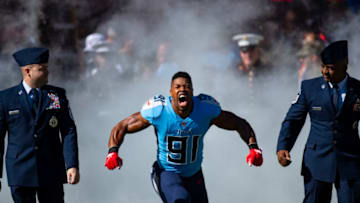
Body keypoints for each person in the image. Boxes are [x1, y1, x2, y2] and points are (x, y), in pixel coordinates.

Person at [105, 71, 263, 203]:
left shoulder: (205, 109)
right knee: (181, 200)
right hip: (167, 172)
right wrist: (113, 151)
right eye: (178, 87)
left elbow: (238, 123)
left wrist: (253, 148)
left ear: (192, 91)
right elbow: (123, 126)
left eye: (187, 87)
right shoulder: (159, 110)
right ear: (171, 92)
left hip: (194, 174)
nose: (183, 89)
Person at [277, 40, 360, 203]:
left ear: (344, 65)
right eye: (323, 66)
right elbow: (293, 120)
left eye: (330, 67)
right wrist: (283, 147)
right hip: (317, 160)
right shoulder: (310, 88)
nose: (325, 72)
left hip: (350, 161)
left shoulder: (357, 89)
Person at [0, 47, 80, 203]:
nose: (47, 72)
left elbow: (68, 130)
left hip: (51, 170)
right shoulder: (6, 99)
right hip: (20, 171)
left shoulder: (56, 95)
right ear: (28, 71)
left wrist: (71, 164)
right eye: (42, 69)